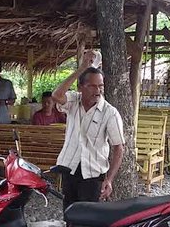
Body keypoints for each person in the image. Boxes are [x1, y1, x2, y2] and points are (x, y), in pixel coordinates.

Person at [52, 50, 125, 208]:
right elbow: (57, 95)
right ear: (80, 87)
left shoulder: (110, 113)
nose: (97, 90)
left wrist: (109, 180)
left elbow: (119, 148)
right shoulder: (73, 101)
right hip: (69, 169)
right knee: (69, 214)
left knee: (88, 219)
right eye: (92, 86)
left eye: (100, 86)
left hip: (93, 175)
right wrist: (82, 68)